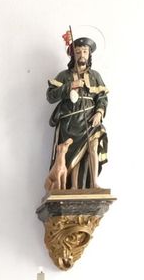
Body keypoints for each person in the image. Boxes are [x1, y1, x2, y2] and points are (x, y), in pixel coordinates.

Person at [45, 35, 107, 189]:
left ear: (89, 54)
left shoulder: (95, 76)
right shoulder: (64, 76)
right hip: (71, 124)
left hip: (90, 120)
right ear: (73, 55)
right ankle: (72, 187)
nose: (82, 55)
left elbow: (102, 97)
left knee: (92, 147)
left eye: (85, 51)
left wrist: (99, 113)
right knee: (75, 155)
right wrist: (70, 85)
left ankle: (94, 183)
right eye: (78, 52)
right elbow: (50, 96)